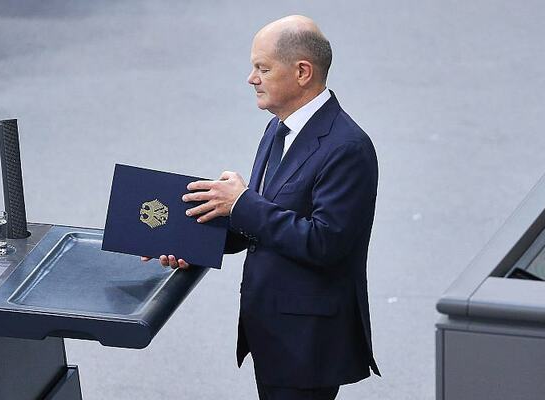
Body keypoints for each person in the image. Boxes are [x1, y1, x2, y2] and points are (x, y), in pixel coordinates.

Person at [142, 15, 380, 400]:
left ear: (302, 72)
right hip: (274, 331)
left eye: (262, 68)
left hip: (308, 345)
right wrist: (189, 240)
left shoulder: (348, 148)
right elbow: (263, 220)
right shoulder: (278, 127)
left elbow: (326, 243)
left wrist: (241, 202)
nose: (251, 78)